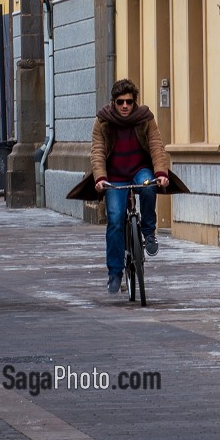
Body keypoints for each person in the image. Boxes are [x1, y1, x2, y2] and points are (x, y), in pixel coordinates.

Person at [91, 79, 170, 296]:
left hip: (139, 170)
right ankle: (115, 273)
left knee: (147, 186)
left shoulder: (145, 118)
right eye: (120, 102)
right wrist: (100, 178)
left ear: (134, 102)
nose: (125, 106)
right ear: (114, 102)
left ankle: (149, 233)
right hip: (114, 176)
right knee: (115, 219)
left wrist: (161, 173)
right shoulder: (103, 121)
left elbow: (156, 145)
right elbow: (97, 152)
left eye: (129, 102)